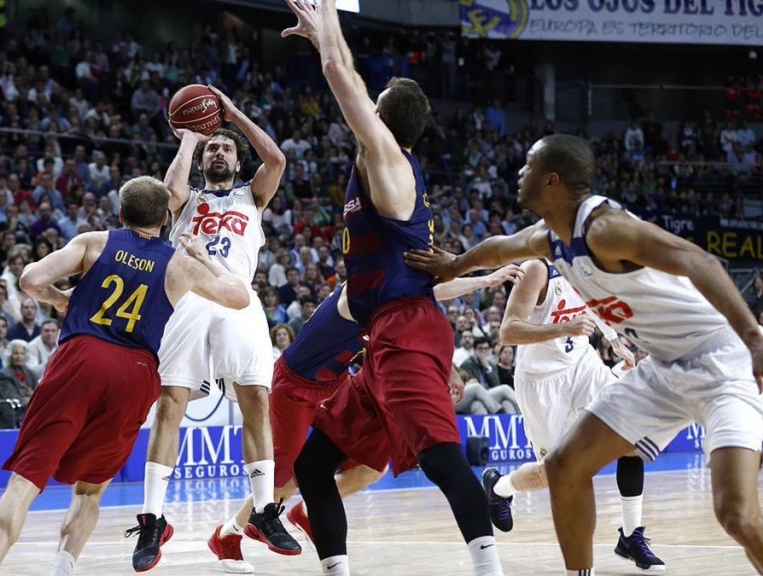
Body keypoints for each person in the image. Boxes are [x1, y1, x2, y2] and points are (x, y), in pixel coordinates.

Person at [404, 133, 763, 575]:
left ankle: (633, 535)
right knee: (564, 466)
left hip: (719, 361)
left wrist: (753, 337)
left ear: (551, 180)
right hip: (660, 368)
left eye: (528, 166)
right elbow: (499, 247)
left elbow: (700, 261)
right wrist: (455, 265)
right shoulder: (550, 239)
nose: (519, 173)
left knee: (736, 514)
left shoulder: (605, 228)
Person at [283, 3, 505, 576]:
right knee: (312, 466)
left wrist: (325, 20)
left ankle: (489, 567)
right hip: (384, 335)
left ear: (381, 116)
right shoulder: (382, 163)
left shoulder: (386, 160)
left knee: (440, 459)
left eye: (372, 102)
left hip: (405, 329)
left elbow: (340, 74)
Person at [0, 176, 251, 576]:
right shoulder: (180, 262)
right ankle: (63, 568)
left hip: (82, 357)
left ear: (121, 214)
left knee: (25, 482)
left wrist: (60, 299)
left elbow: (31, 279)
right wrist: (205, 257)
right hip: (136, 373)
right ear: (167, 218)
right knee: (89, 489)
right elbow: (238, 297)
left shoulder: (94, 241)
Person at [209, 266, 522, 574]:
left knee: (372, 467)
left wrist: (485, 280)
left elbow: (425, 295)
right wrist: (484, 279)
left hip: (334, 383)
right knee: (286, 480)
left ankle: (306, 512)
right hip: (295, 386)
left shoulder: (385, 294)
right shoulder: (360, 292)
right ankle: (229, 534)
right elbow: (431, 291)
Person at [133, 84, 292, 571]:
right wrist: (188, 137)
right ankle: (153, 519)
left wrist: (230, 114)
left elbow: (277, 159)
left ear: (237, 161)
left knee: (257, 402)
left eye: (225, 148)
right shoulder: (184, 202)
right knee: (169, 406)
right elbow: (170, 193)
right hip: (187, 302)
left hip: (237, 298)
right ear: (203, 159)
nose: (218, 151)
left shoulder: (253, 197)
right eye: (212, 147)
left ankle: (263, 510)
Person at [484, 257, 665, 571]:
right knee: (555, 474)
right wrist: (564, 327)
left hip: (583, 365)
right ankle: (499, 487)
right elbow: (508, 331)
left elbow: (594, 304)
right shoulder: (538, 269)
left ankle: (631, 534)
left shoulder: (586, 262)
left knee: (633, 435)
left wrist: (614, 340)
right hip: (541, 380)